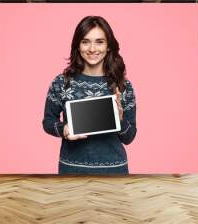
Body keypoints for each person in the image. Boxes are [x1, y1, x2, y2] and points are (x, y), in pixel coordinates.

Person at [42, 15, 137, 175]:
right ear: (78, 46)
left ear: (108, 46)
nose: (92, 49)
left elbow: (129, 137)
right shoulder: (61, 82)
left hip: (114, 171)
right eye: (85, 41)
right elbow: (48, 121)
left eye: (99, 42)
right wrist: (65, 129)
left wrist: (120, 120)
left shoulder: (123, 86)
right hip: (71, 169)